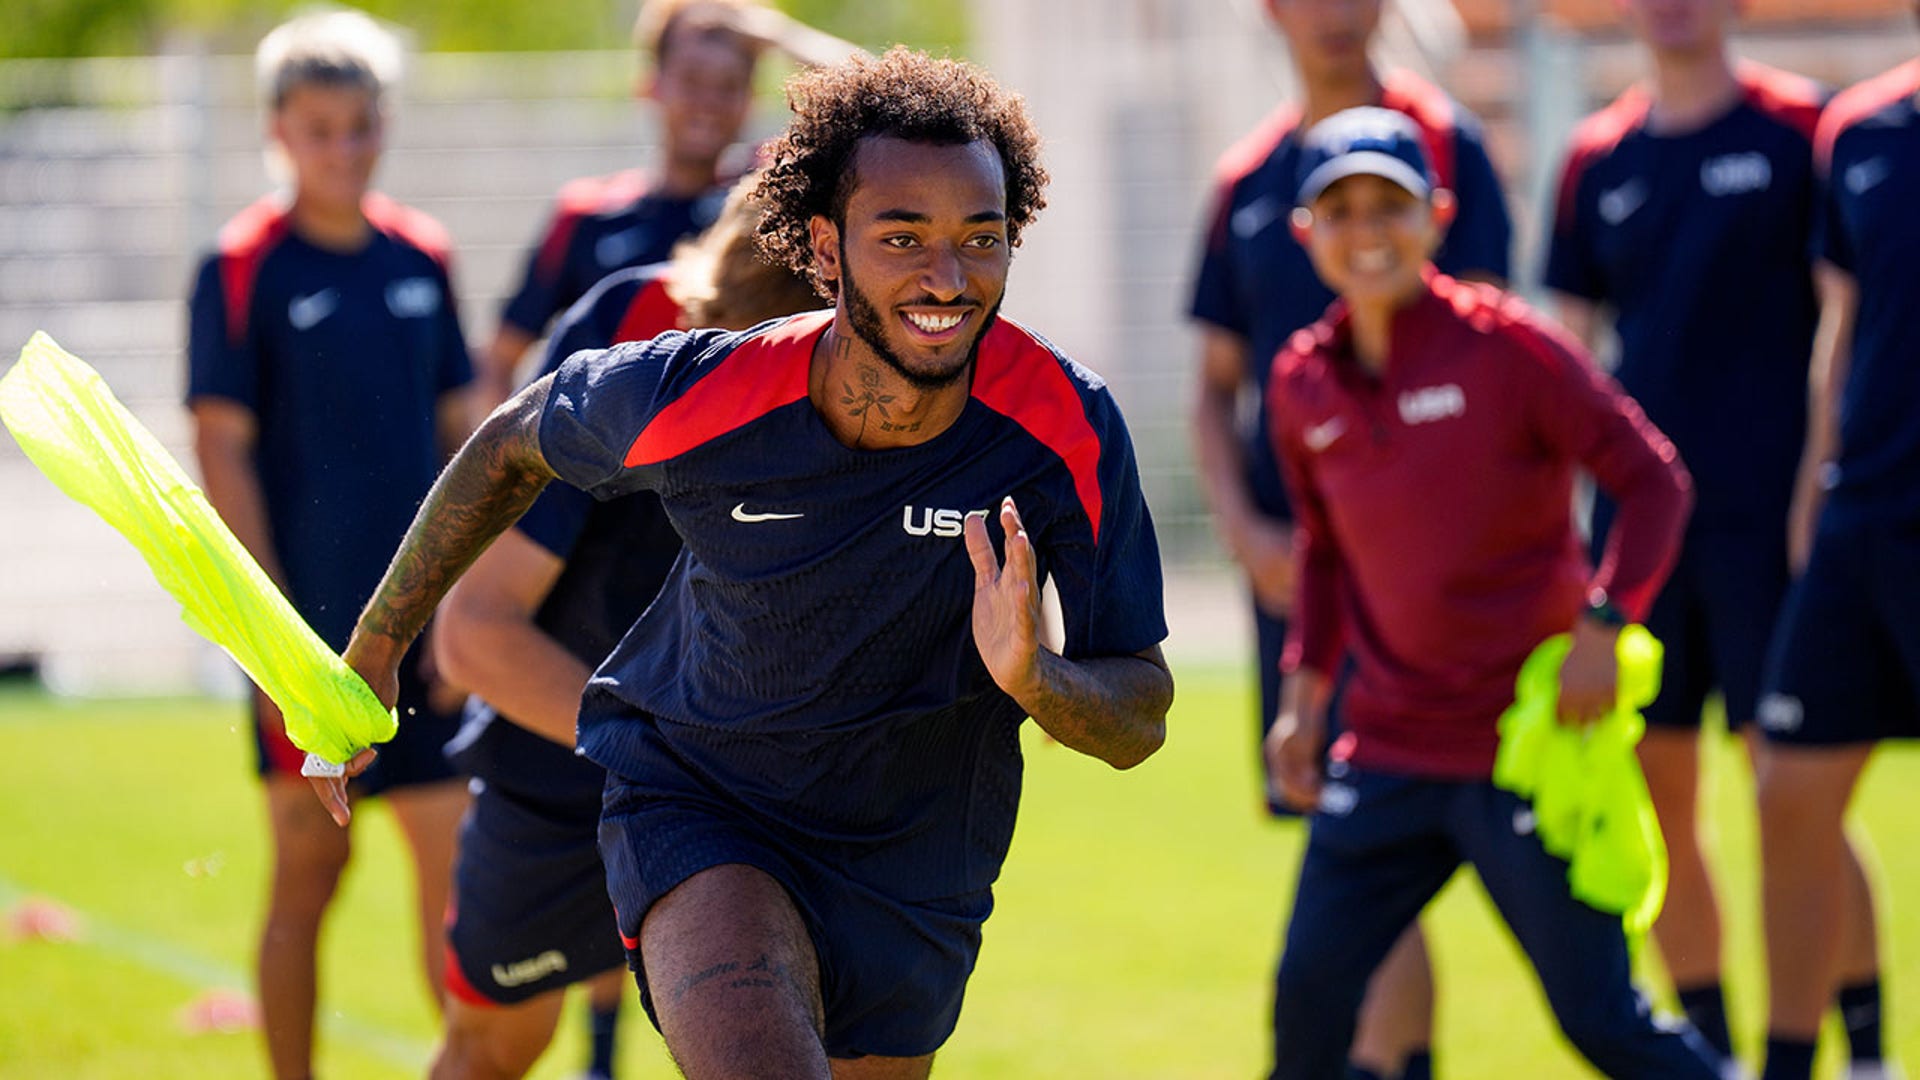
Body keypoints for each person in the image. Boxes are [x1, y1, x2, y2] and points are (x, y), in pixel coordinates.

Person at [308, 47, 1174, 1080]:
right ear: (825, 247)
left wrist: (1039, 679)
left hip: (919, 856)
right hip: (707, 807)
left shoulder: (1064, 428)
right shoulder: (713, 388)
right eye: (902, 238)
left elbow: (1140, 715)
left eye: (978, 239)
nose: (947, 278)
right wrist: (378, 641)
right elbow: (510, 442)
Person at [1262, 106, 1717, 1080]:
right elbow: (1326, 556)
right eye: (1338, 211)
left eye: (1390, 204)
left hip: (1520, 747)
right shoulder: (1302, 381)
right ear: (1308, 234)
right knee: (1306, 1004)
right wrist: (1302, 704)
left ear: (1437, 215)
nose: (1366, 229)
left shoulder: (1509, 348)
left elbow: (1654, 483)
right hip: (1382, 752)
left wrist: (1608, 621)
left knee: (1604, 1023)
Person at [427, 180, 822, 1080]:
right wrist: (667, 762)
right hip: (562, 773)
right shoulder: (632, 340)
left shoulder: (885, 377)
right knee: (492, 1047)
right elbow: (477, 634)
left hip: (771, 799)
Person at [1542, 2, 1869, 1069]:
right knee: (1664, 799)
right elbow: (1571, 357)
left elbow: (1852, 317)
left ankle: (1856, 1049)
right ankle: (1716, 1056)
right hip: (1645, 541)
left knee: (1797, 797)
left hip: (1777, 533)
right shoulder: (1597, 158)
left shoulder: (1802, 131)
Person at [1187, 1, 1511, 1075]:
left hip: (1426, 592)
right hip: (1301, 577)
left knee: (1399, 839)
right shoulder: (1244, 180)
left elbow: (1495, 356)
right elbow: (1211, 389)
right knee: (1350, 842)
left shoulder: (1444, 141)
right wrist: (1247, 530)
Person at [184, 10, 472, 1078]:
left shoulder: (422, 255)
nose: (342, 149)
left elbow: (466, 440)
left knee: (456, 895)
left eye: (361, 127)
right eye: (319, 129)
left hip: (429, 642)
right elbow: (223, 452)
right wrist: (272, 649)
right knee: (308, 879)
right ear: (279, 130)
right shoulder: (241, 267)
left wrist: (463, 610)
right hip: (304, 646)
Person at [1751, 51, 1920, 1080]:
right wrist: (1818, 476)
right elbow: (1841, 328)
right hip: (1865, 515)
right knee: (1788, 791)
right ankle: (1796, 1065)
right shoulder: (1860, 128)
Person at [475, 0, 855, 414]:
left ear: (750, 99)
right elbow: (502, 356)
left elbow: (870, 110)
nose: (708, 102)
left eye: (729, 85)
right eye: (691, 80)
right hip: (609, 464)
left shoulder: (772, 203)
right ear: (651, 85)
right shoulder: (587, 213)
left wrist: (776, 33)